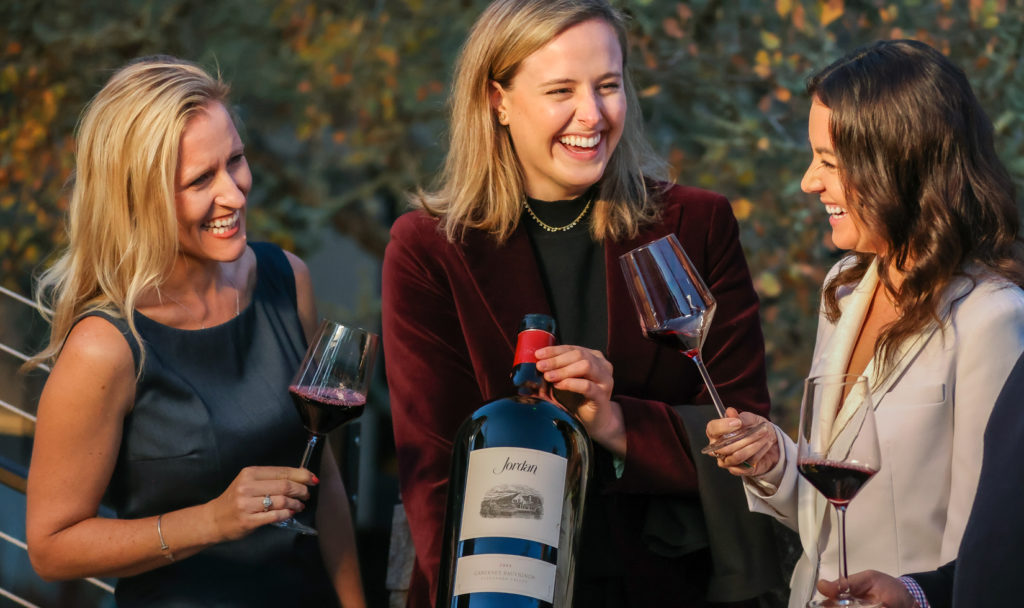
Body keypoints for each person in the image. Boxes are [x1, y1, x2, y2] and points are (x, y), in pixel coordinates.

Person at [382, 1, 781, 606]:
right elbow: (435, 471)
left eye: (608, 86)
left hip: (669, 586)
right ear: (499, 100)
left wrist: (617, 423)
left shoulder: (696, 225)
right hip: (499, 592)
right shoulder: (430, 249)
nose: (591, 115)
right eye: (560, 89)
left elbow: (746, 434)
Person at [23, 56, 365, 606]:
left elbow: (320, 477)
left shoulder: (286, 280)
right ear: (137, 198)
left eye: (235, 160)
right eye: (200, 180)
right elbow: (51, 547)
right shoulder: (105, 347)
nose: (233, 193)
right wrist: (210, 521)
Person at [706, 39, 1024, 608]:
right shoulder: (846, 286)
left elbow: (986, 551)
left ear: (899, 161)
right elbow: (837, 500)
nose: (808, 181)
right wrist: (776, 461)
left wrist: (917, 598)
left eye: (829, 162)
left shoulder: (993, 319)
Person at [815, 351, 1024, 607]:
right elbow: (997, 549)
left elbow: (971, 522)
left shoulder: (992, 318)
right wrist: (917, 593)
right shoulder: (837, 315)